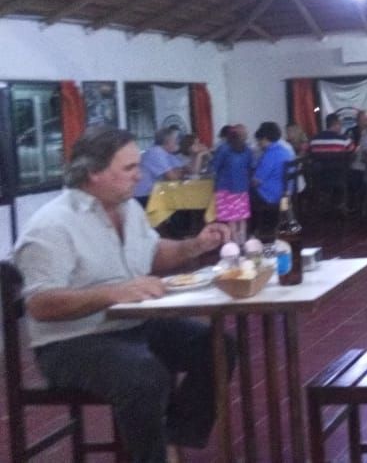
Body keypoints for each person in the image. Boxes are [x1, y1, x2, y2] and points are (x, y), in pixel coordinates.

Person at [13, 125, 233, 463]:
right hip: (72, 343)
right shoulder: (52, 225)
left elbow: (153, 253)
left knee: (218, 346)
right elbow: (40, 304)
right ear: (94, 173)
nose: (138, 175)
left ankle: (172, 438)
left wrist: (196, 245)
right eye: (129, 168)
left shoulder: (128, 209)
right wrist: (113, 293)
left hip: (132, 326)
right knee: (143, 375)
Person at [250, 121, 294, 238]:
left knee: (243, 194)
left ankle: (253, 232)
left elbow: (257, 181)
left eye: (259, 141)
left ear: (264, 138)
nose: (259, 144)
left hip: (271, 196)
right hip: (285, 195)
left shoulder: (270, 155)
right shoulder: (285, 151)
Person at [210, 123, 252, 245]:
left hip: (225, 189)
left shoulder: (223, 149)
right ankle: (243, 243)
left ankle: (234, 246)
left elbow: (214, 167)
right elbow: (251, 166)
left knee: (231, 220)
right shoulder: (247, 149)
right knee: (242, 219)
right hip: (243, 189)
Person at [133, 126, 187, 204]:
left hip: (154, 193)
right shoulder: (156, 152)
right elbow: (173, 177)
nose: (178, 142)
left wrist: (180, 172)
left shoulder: (166, 152)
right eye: (175, 140)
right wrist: (180, 172)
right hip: (143, 196)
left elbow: (184, 170)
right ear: (167, 141)